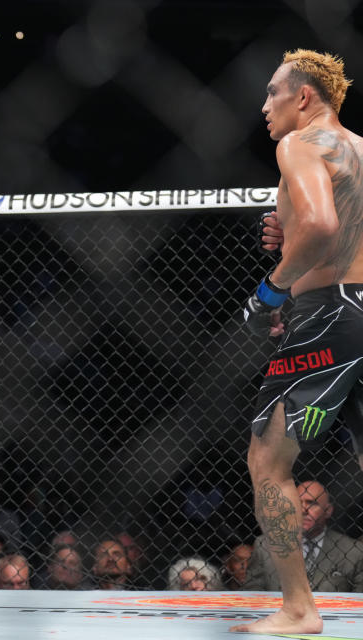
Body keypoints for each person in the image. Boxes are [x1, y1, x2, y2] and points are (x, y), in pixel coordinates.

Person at [235, 49, 363, 634]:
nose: (264, 108)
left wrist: (274, 289)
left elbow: (320, 227)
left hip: (330, 313)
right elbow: (327, 222)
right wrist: (290, 228)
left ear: (304, 97)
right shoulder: (361, 149)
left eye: (272, 94)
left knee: (269, 458)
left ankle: (298, 609)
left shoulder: (299, 143)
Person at [243, 480, 363, 593]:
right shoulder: (265, 546)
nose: (303, 510)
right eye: (297, 502)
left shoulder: (353, 552)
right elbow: (251, 595)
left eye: (312, 503)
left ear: (327, 511)